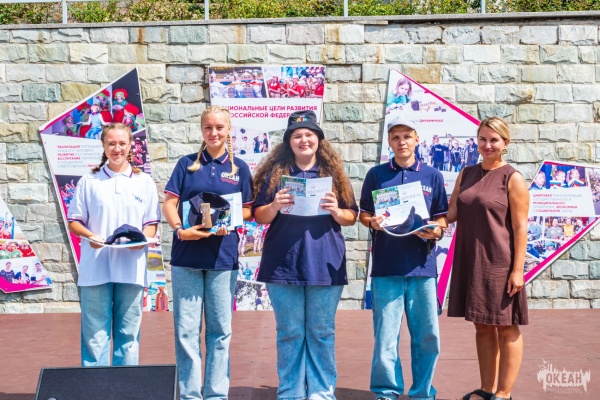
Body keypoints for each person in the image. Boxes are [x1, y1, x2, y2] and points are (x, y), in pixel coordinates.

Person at [253, 110, 357, 400]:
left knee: (321, 332)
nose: (303, 140)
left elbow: (351, 216)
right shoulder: (276, 176)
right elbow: (259, 216)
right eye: (297, 135)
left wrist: (336, 211)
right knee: (289, 332)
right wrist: (274, 205)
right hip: (283, 263)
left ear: (318, 139)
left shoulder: (333, 176)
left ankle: (322, 392)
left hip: (325, 263)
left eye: (309, 134)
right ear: (289, 142)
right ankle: (291, 392)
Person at [162, 105, 253, 400]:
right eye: (208, 127)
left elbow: (248, 210)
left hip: (223, 258)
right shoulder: (186, 164)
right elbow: (169, 203)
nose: (214, 133)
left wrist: (228, 220)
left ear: (229, 130)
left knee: (220, 331)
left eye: (219, 127)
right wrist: (180, 230)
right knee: (186, 332)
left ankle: (216, 395)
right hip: (186, 257)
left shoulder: (239, 169)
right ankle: (190, 395)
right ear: (202, 130)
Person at [359, 116, 447, 400]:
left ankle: (423, 392)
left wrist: (437, 231)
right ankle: (387, 391)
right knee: (386, 337)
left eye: (407, 136)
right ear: (389, 141)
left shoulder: (432, 175)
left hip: (422, 268)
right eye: (396, 137)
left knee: (427, 337)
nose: (402, 142)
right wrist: (373, 222)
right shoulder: (376, 174)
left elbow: (441, 218)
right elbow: (364, 214)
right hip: (386, 267)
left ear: (417, 139)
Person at [446, 117, 529, 400]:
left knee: (506, 326)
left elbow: (520, 227)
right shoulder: (466, 173)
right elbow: (452, 213)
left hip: (500, 262)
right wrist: (428, 223)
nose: (487, 145)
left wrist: (518, 270)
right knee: (482, 325)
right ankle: (486, 389)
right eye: (483, 139)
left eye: (494, 140)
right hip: (471, 259)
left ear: (506, 143)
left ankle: (504, 393)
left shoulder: (512, 178)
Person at [67, 122, 160, 367]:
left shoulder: (144, 182)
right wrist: (90, 236)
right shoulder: (89, 181)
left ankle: (124, 386)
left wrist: (141, 241)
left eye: (121, 143)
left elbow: (151, 223)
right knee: (95, 336)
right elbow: (74, 221)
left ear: (130, 146)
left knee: (128, 336)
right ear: (103, 146)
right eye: (111, 143)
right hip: (96, 267)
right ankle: (95, 386)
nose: (116, 149)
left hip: (131, 268)